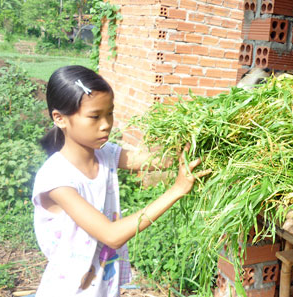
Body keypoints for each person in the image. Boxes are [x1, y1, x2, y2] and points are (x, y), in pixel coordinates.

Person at [31, 65, 211, 296]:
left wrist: (195, 143)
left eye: (110, 113)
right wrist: (177, 190)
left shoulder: (105, 154)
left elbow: (156, 160)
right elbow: (112, 236)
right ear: (60, 118)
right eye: (94, 116)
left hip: (104, 287)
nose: (106, 124)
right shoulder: (57, 178)